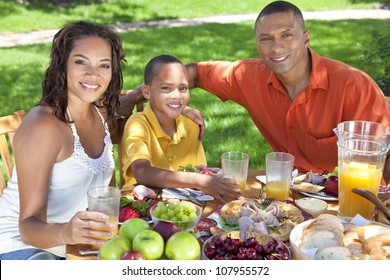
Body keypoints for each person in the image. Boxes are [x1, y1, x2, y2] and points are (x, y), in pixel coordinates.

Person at [120, 0, 390, 183]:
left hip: (346, 196)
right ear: (257, 43)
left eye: (287, 35)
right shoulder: (249, 76)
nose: (276, 48)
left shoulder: (355, 87)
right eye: (266, 39)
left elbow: (383, 162)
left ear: (305, 38)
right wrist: (143, 96)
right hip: (288, 192)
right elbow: (194, 73)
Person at [0, 21, 126, 260]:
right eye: (81, 62)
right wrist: (67, 232)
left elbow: (129, 98)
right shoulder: (43, 127)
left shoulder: (99, 110)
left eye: (104, 65)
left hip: (75, 245)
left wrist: (165, 102)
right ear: (62, 65)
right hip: (19, 246)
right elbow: (27, 227)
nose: (93, 74)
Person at [121, 54, 242, 202]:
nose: (177, 96)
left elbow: (199, 171)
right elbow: (142, 172)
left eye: (183, 88)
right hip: (140, 207)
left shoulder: (190, 125)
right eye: (166, 88)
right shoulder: (138, 124)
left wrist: (205, 179)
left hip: (184, 207)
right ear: (147, 92)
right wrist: (198, 181)